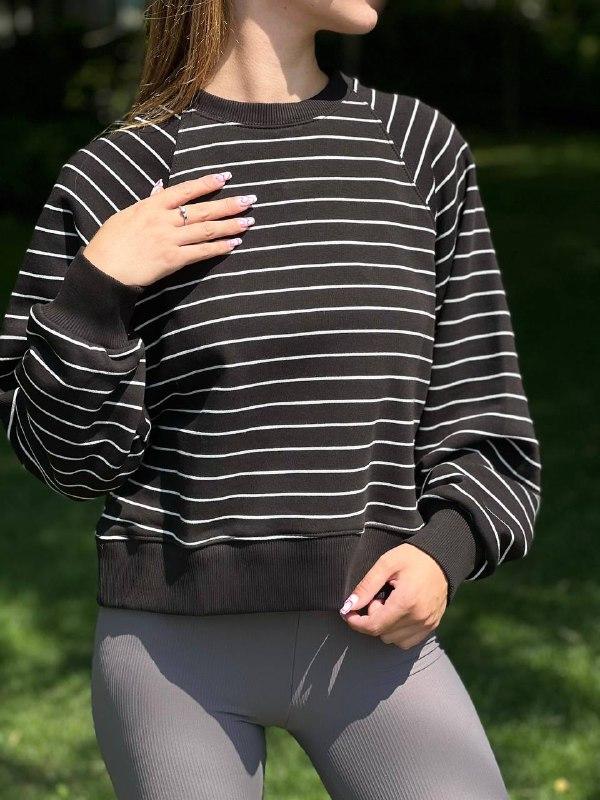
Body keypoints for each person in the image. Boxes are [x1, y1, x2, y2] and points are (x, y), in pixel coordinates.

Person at [0, 1, 542, 798]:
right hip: (170, 659)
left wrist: (445, 550)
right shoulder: (116, 175)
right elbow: (64, 461)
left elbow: (484, 406)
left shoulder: (418, 148)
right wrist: (95, 292)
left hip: (374, 639)